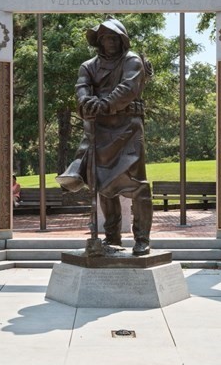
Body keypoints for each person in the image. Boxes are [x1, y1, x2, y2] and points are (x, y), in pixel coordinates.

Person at [56, 18, 153, 256]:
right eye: (106, 38)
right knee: (104, 185)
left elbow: (128, 88)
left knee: (137, 185)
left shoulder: (131, 60)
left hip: (128, 129)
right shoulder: (88, 66)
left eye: (114, 37)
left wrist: (105, 104)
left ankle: (142, 239)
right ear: (99, 42)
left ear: (122, 39)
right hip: (100, 130)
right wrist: (86, 103)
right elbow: (81, 88)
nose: (110, 42)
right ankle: (111, 237)